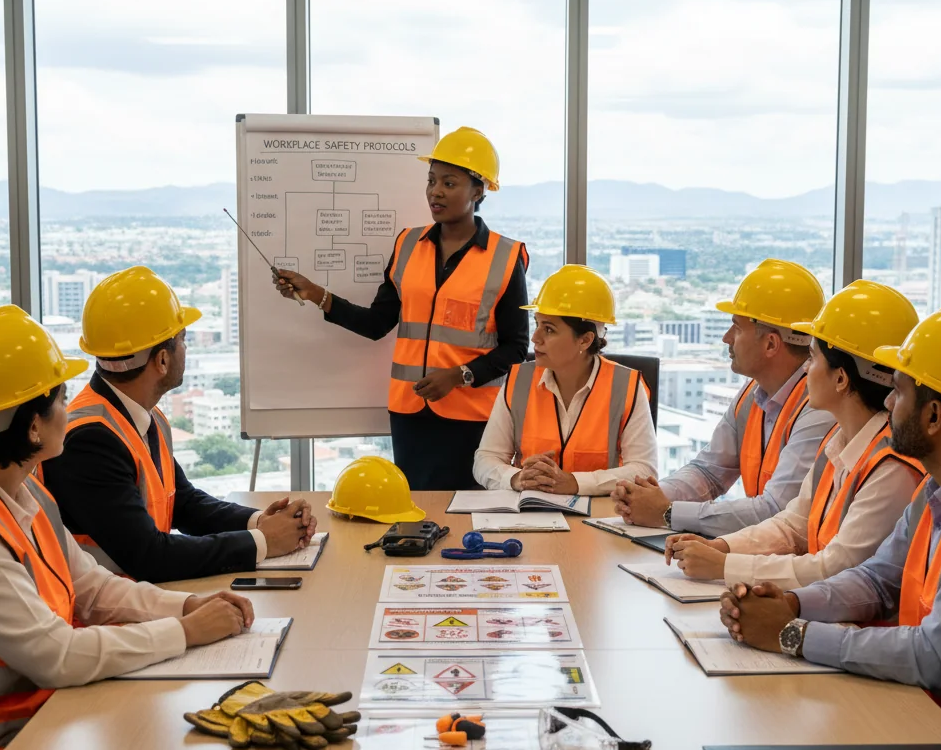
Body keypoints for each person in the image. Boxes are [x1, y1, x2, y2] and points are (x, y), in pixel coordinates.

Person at [0, 305, 255, 750]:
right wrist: (186, 633)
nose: (68, 409)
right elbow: (55, 656)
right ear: (32, 426)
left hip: (40, 730)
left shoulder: (23, 488)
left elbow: (92, 588)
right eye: (60, 397)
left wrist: (187, 606)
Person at [719, 301, 941, 735]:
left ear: (934, 416)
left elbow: (935, 654)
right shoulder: (935, 492)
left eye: (900, 391)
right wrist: (793, 603)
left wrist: (793, 634)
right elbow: (876, 579)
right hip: (918, 716)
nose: (888, 401)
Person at [274, 127, 529, 491]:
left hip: (475, 418)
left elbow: (516, 348)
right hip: (410, 413)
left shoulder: (506, 257)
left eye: (449, 183)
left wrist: (459, 376)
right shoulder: (408, 244)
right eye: (431, 181)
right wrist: (317, 294)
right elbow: (378, 322)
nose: (435, 191)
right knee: (418, 514)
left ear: (478, 190)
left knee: (469, 517)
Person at [41, 267, 315, 582]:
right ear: (161, 360)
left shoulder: (143, 417)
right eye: (182, 339)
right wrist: (263, 542)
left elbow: (183, 502)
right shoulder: (89, 441)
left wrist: (259, 522)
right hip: (107, 618)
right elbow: (150, 556)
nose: (186, 347)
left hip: (141, 603)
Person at [666, 280, 924, 588]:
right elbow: (793, 526)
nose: (805, 368)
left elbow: (836, 568)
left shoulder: (891, 469)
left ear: (841, 378)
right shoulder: (840, 442)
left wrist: (726, 565)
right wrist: (723, 547)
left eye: (812, 358)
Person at [612, 259, 834, 537]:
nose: (726, 338)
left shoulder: (819, 409)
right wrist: (647, 495)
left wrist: (667, 512)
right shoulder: (752, 393)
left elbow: (776, 510)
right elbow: (709, 472)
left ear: (771, 344)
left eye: (737, 327)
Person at [473, 264, 656, 495]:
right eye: (537, 324)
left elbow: (644, 470)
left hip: (600, 516)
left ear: (585, 340)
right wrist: (518, 478)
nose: (535, 338)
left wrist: (575, 483)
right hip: (530, 513)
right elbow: (485, 458)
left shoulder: (626, 386)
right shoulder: (518, 381)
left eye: (549, 329)